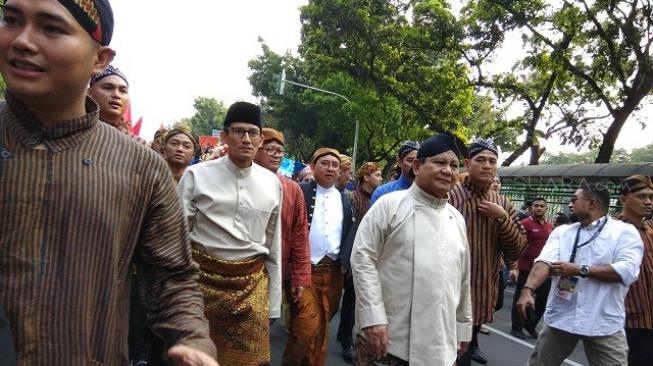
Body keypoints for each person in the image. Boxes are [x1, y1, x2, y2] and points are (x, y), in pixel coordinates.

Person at [0, 0, 217, 364]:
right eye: (11, 20)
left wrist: (192, 339)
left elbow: (171, 278)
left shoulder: (141, 167)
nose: (23, 40)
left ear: (100, 58)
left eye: (51, 28)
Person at [351, 134, 473, 366]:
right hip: (387, 340)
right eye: (439, 162)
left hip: (439, 346)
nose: (448, 170)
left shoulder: (456, 219)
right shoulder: (390, 205)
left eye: (454, 165)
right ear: (417, 166)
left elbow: (463, 279)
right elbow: (362, 259)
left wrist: (463, 327)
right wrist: (373, 318)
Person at [178, 102, 282, 366]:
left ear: (260, 139)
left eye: (253, 132)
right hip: (200, 287)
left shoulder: (272, 183)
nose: (246, 139)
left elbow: (274, 246)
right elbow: (177, 240)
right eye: (238, 131)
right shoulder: (196, 175)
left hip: (251, 288)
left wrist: (275, 303)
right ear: (224, 136)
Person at [516, 182, 644, 366]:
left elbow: (627, 270)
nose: (570, 204)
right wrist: (528, 289)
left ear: (591, 203)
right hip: (561, 317)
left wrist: (580, 270)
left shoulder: (624, 232)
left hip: (602, 322)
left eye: (575, 199)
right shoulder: (563, 232)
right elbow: (544, 261)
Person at [449, 138, 527, 366]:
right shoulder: (450, 196)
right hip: (446, 294)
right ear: (467, 163)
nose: (487, 165)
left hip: (480, 296)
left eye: (492, 161)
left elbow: (517, 249)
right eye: (480, 160)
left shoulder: (503, 203)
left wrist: (502, 218)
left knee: (462, 356)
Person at [283, 148, 356, 366]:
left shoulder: (346, 198)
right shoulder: (299, 191)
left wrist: (345, 264)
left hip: (333, 273)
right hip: (305, 272)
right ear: (313, 168)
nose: (331, 168)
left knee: (322, 327)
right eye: (325, 163)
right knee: (305, 327)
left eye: (335, 165)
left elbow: (350, 232)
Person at [253, 127, 311, 324]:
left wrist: (299, 277)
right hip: (241, 267)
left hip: (275, 270)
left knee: (263, 326)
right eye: (270, 150)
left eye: (280, 151)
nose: (276, 155)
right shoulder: (242, 180)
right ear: (256, 149)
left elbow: (300, 235)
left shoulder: (292, 189)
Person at [336, 161, 383, 363]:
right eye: (378, 175)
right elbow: (346, 230)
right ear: (367, 177)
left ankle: (345, 337)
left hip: (369, 257)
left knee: (355, 300)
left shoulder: (380, 199)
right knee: (349, 301)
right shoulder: (352, 198)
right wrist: (344, 260)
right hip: (350, 257)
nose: (381, 179)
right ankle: (346, 341)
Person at [616, 175, 653, 366]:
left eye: (651, 197)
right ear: (623, 199)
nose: (648, 202)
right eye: (641, 196)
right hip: (624, 321)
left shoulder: (650, 231)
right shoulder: (611, 231)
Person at [510, 198, 553, 340]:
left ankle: (531, 325)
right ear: (531, 208)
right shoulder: (524, 224)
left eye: (542, 206)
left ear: (546, 209)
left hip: (543, 270)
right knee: (520, 297)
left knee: (543, 299)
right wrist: (514, 265)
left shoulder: (549, 226)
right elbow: (515, 244)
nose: (539, 208)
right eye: (536, 206)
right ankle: (516, 327)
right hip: (525, 267)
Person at [88, 64, 144, 145]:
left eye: (123, 91)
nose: (116, 95)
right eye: (108, 87)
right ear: (89, 93)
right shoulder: (72, 130)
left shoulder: (139, 145)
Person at [369, 140, 419, 206]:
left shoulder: (429, 193)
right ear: (400, 162)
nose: (415, 165)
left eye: (418, 161)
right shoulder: (383, 193)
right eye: (410, 160)